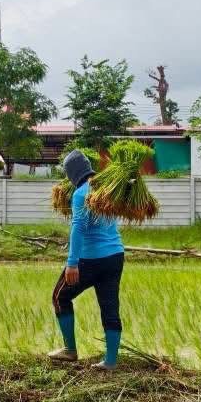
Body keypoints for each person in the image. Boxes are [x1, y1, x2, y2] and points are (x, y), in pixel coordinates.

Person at [48, 149, 125, 371]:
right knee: (110, 307)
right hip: (115, 257)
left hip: (91, 259)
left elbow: (78, 227)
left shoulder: (81, 193)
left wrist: (72, 263)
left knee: (60, 296)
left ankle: (70, 350)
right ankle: (110, 361)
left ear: (72, 174)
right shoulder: (105, 189)